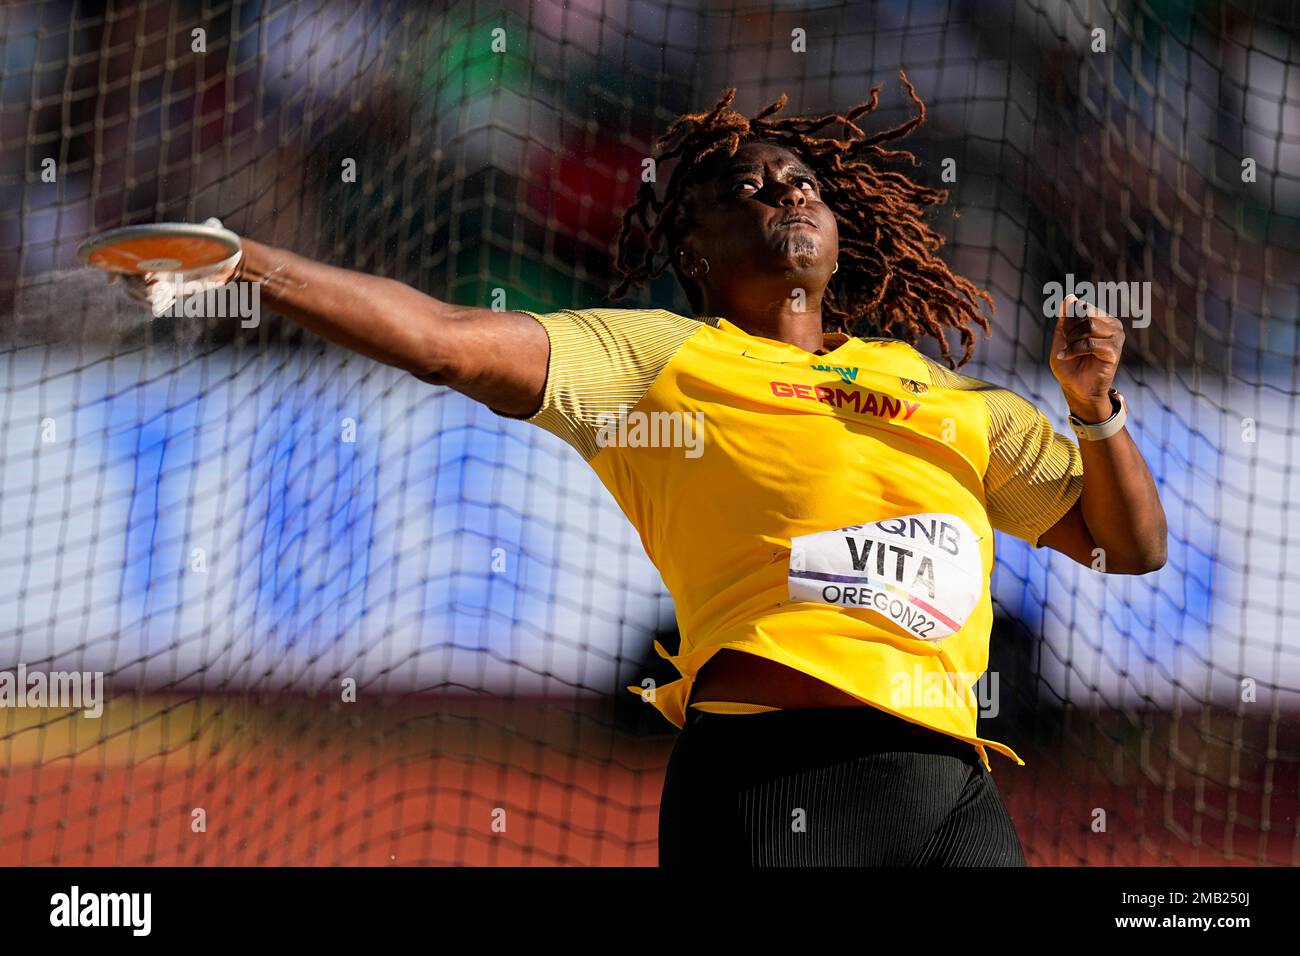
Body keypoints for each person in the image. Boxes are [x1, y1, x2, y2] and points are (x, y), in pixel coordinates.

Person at [115, 73, 1166, 866]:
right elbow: (443, 337)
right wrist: (244, 261)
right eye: (746, 189)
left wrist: (1093, 412)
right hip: (772, 775)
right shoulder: (655, 358)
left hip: (953, 782)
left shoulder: (949, 397)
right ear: (696, 252)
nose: (782, 193)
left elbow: (1130, 547)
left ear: (839, 230)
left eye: (800, 183)